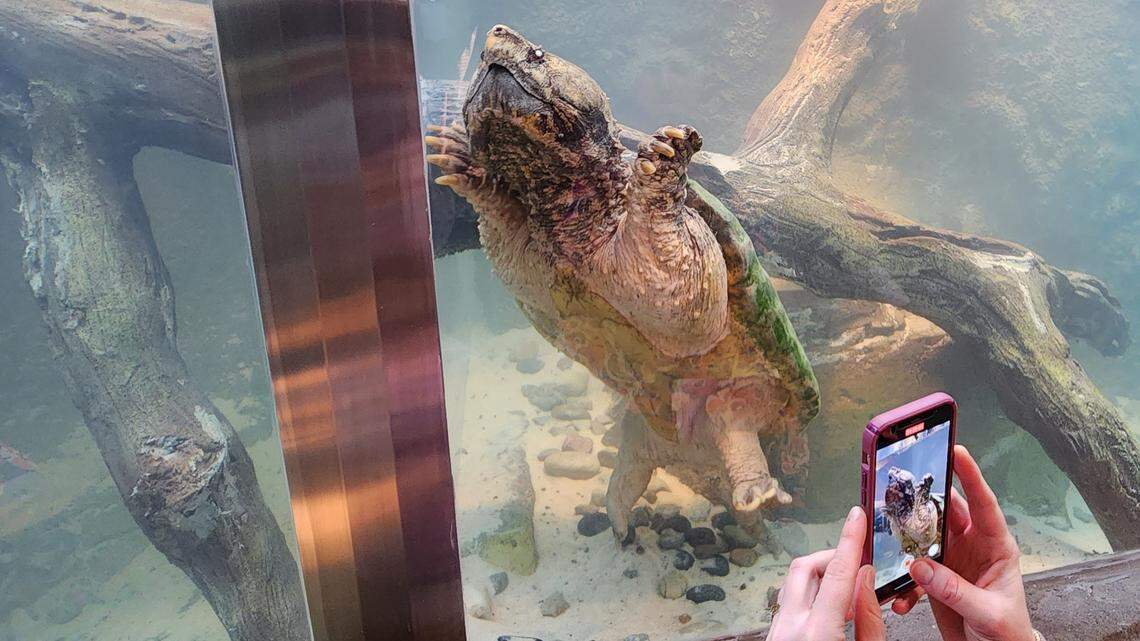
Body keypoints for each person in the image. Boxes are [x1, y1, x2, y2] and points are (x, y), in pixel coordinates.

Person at [765, 445, 1041, 641]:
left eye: (896, 485)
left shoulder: (916, 508)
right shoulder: (893, 509)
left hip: (921, 527)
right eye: (892, 483)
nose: (892, 485)